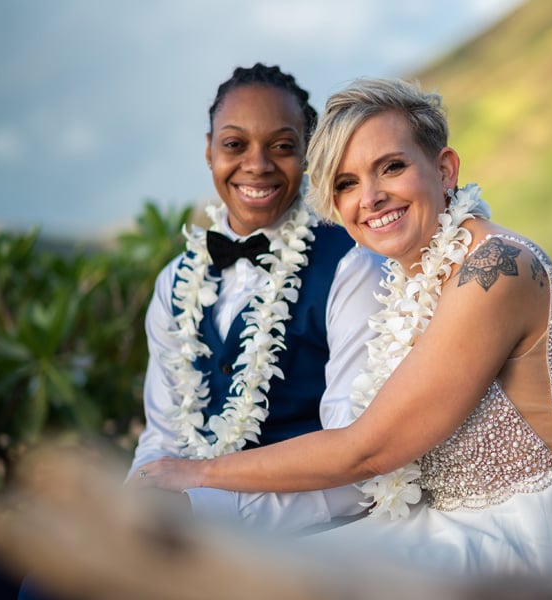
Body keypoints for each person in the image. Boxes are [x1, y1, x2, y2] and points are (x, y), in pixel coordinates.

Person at [132, 77, 552, 575]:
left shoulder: (496, 268)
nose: (370, 197)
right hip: (434, 525)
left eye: (391, 167)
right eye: (346, 183)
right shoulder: (408, 280)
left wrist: (200, 475)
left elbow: (366, 449)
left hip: (522, 535)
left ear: (444, 170)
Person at [128, 63, 386, 531]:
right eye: (234, 144)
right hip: (181, 531)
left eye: (283, 146)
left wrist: (208, 512)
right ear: (209, 151)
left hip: (307, 543)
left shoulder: (352, 266)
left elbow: (357, 462)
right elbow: (161, 438)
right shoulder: (174, 281)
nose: (257, 165)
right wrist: (136, 504)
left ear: (308, 155)